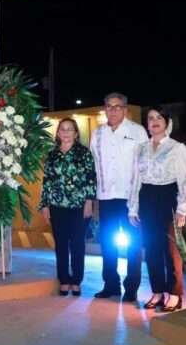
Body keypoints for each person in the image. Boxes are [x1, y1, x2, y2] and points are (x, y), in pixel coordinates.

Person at [128, 106, 186, 312]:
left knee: (172, 250)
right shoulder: (140, 149)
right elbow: (136, 180)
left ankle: (175, 294)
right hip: (147, 198)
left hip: (169, 199)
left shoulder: (177, 148)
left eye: (159, 118)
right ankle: (157, 291)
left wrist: (183, 209)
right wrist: (133, 208)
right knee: (152, 248)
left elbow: (185, 179)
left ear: (167, 122)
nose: (154, 121)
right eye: (150, 118)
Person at [89, 92, 148, 302]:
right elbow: (94, 167)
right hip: (105, 197)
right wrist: (93, 199)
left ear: (125, 109)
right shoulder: (97, 134)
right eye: (109, 106)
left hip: (131, 197)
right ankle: (111, 285)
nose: (113, 110)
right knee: (107, 243)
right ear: (104, 109)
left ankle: (131, 287)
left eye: (117, 107)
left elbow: (144, 165)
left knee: (133, 244)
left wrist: (140, 200)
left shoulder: (138, 132)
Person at [39, 118, 96, 296]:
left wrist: (89, 202)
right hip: (57, 206)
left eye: (69, 129)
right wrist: (45, 205)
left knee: (78, 244)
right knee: (61, 244)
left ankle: (76, 280)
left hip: (79, 206)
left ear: (76, 133)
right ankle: (64, 280)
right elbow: (47, 181)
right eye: (62, 129)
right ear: (57, 133)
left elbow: (91, 178)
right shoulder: (52, 154)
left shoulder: (84, 153)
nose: (65, 132)